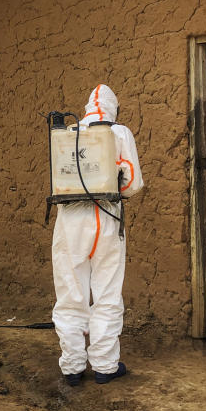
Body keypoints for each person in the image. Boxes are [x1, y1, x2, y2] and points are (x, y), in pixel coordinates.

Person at [51, 84, 143, 387]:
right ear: (113, 107)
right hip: (107, 216)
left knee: (70, 291)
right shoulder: (120, 132)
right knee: (107, 291)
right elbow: (132, 184)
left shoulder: (69, 132)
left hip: (70, 220)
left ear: (88, 106)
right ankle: (105, 365)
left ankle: (72, 367)